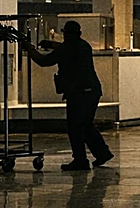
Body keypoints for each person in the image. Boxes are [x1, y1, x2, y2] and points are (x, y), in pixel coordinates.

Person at [22, 20, 114, 171]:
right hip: (92, 91)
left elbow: (44, 61)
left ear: (65, 34)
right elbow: (66, 48)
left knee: (75, 127)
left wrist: (30, 49)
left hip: (79, 93)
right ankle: (102, 153)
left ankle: (80, 160)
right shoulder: (84, 45)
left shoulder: (67, 48)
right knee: (86, 124)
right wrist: (51, 44)